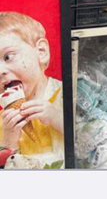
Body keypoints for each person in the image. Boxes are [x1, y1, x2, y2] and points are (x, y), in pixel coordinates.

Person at [0, 12, 65, 169]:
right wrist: (8, 143)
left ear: (41, 52)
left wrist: (58, 118)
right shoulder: (3, 120)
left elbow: (91, 139)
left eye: (8, 57)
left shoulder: (66, 95)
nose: (0, 70)